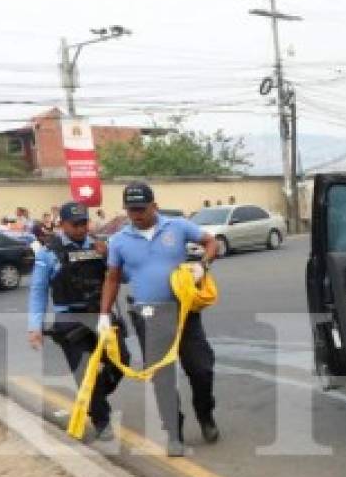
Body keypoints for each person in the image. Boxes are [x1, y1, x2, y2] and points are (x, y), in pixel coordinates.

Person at [98, 182, 221, 457]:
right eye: (132, 210)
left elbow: (212, 242)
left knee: (201, 369)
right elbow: (113, 277)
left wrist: (203, 265)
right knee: (162, 378)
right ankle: (174, 433)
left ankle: (205, 414)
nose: (137, 215)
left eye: (142, 209)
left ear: (154, 205)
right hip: (149, 316)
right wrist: (104, 315)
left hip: (184, 312)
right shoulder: (119, 241)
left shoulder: (177, 227)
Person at [27, 201, 129, 440]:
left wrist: (110, 258)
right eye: (76, 224)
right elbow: (38, 291)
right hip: (70, 319)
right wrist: (35, 327)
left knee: (121, 360)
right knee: (85, 372)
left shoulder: (100, 246)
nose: (82, 228)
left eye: (85, 223)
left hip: (101, 314)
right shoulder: (48, 253)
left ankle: (96, 394)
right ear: (62, 225)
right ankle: (102, 419)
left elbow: (121, 278)